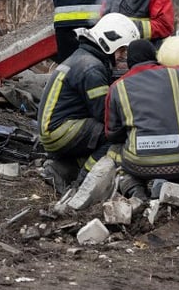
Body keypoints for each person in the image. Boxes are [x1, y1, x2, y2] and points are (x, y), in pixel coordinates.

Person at [37, 12, 139, 193]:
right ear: (110, 42)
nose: (123, 55)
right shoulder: (92, 68)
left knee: (98, 135)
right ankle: (84, 183)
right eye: (122, 50)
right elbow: (104, 115)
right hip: (60, 131)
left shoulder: (83, 57)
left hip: (54, 130)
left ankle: (63, 169)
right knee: (114, 135)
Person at [105, 39, 179, 200]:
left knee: (113, 151)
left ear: (129, 62)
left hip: (140, 165)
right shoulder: (178, 74)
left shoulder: (117, 87)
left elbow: (111, 133)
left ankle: (134, 190)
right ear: (155, 56)